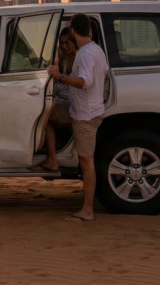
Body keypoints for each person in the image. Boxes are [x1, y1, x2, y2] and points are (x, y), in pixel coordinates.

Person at [45, 13, 108, 222]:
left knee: (86, 162)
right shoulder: (96, 50)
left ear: (73, 31)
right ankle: (51, 160)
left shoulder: (86, 54)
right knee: (45, 114)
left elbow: (84, 82)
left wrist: (60, 76)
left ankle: (87, 211)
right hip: (80, 108)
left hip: (86, 115)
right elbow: (104, 73)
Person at [30, 27, 78, 173]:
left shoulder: (80, 58)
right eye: (61, 43)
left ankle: (52, 158)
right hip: (59, 99)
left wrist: (59, 77)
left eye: (67, 43)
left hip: (71, 102)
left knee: (44, 115)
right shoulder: (62, 57)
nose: (64, 46)